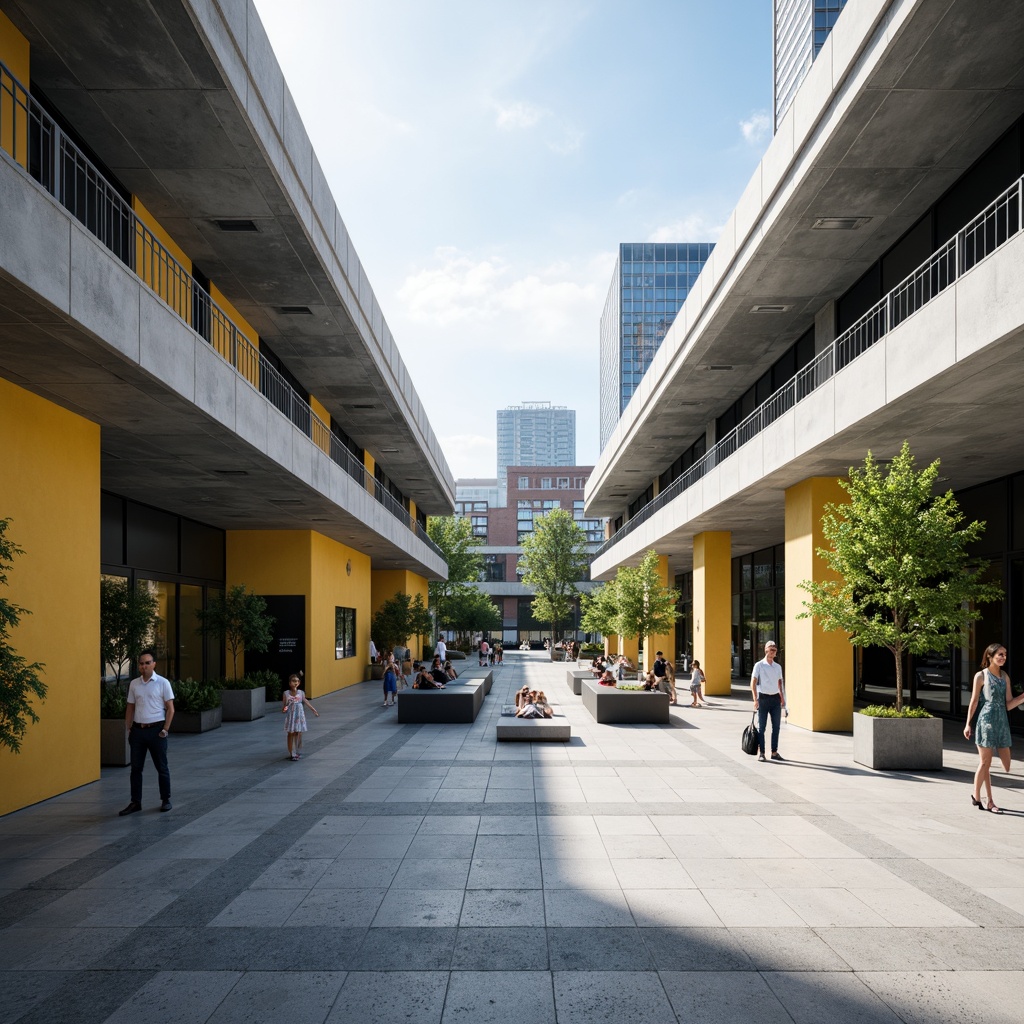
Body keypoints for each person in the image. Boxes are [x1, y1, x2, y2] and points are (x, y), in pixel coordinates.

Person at [964, 643, 1024, 813]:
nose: (1003, 657)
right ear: (990, 656)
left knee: (996, 764)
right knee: (985, 762)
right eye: (1000, 654)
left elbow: (1009, 704)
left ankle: (981, 799)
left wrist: (1022, 698)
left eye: (1005, 654)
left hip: (1001, 721)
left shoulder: (1005, 676)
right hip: (986, 720)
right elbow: (974, 701)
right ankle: (983, 799)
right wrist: (968, 723)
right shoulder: (981, 676)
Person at [119, 650, 175, 815]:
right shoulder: (134, 684)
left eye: (147, 663)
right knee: (136, 769)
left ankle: (165, 799)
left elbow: (170, 709)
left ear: (154, 664)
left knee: (161, 767)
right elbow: (130, 706)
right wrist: (128, 727)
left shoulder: (162, 683)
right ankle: (135, 802)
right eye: (141, 663)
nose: (144, 666)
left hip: (157, 731)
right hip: (138, 731)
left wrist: (165, 729)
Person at [751, 641, 786, 762]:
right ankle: (762, 753)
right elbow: (753, 683)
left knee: (776, 727)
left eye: (775, 650)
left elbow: (780, 683)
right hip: (763, 698)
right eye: (771, 649)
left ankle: (774, 752)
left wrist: (783, 698)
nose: (773, 652)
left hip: (775, 699)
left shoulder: (778, 667)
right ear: (766, 650)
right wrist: (755, 699)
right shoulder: (759, 665)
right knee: (762, 728)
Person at [283, 673, 318, 759]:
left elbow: (306, 701)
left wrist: (313, 710)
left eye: (297, 681)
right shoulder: (286, 693)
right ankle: (291, 753)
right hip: (291, 716)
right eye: (294, 681)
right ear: (289, 683)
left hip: (299, 716)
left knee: (297, 733)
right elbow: (284, 707)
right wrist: (285, 707)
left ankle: (295, 752)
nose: (296, 683)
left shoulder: (301, 693)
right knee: (290, 734)